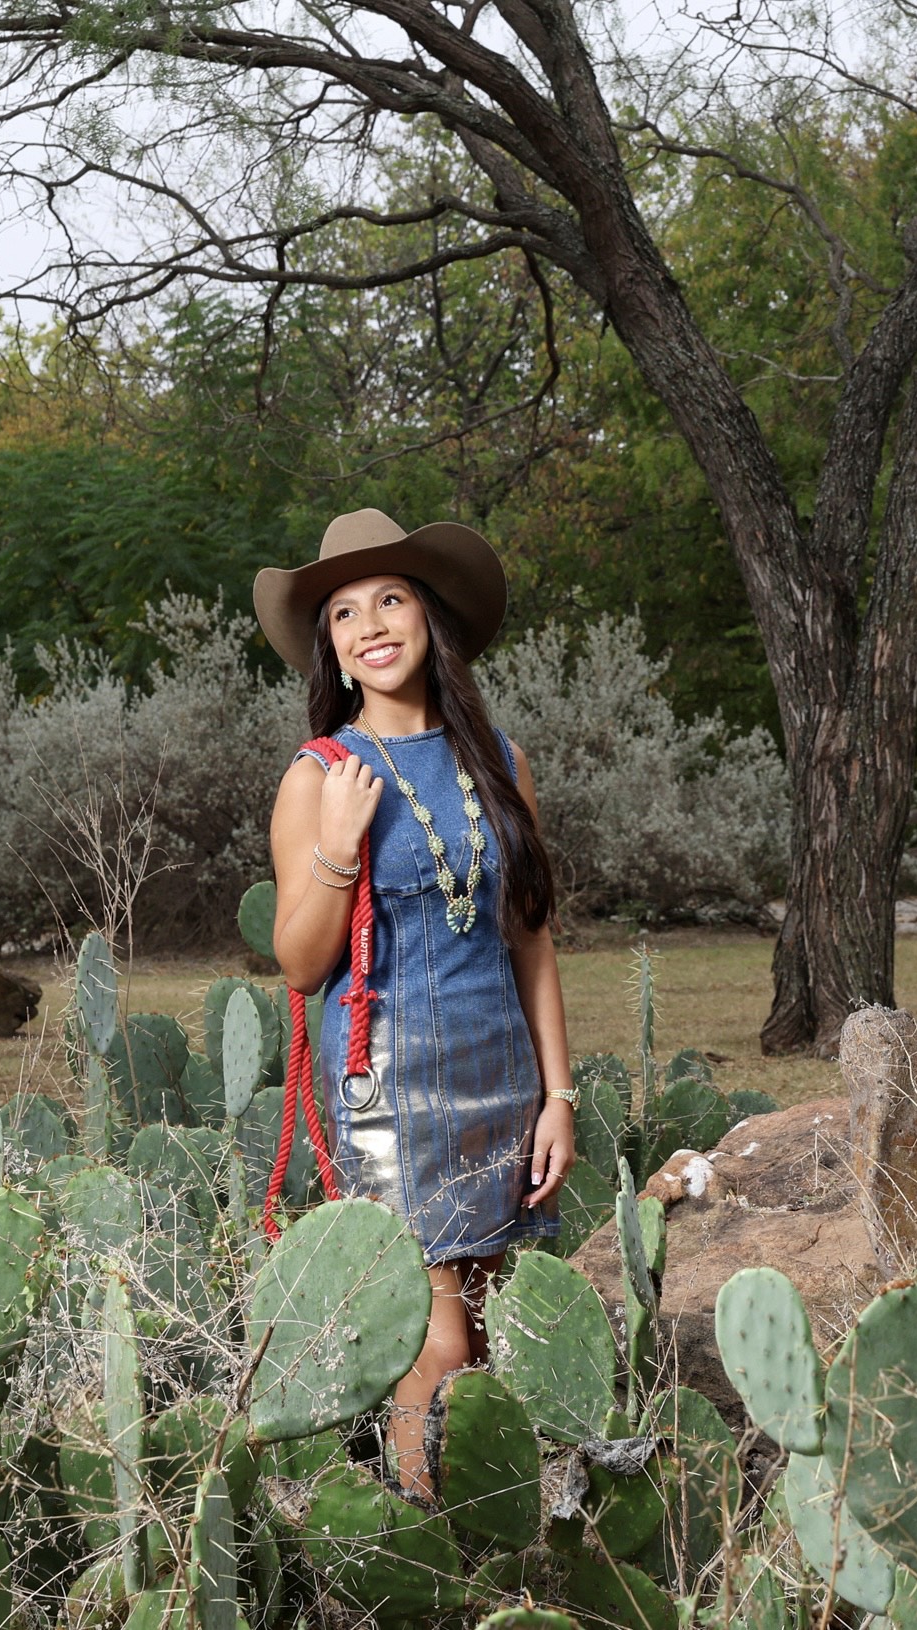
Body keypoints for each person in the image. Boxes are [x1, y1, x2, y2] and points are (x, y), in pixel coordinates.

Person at [255, 508, 578, 1499]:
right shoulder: (320, 776)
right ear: (334, 650)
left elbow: (530, 937)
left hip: (500, 1084)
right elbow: (299, 964)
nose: (371, 623)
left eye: (389, 597)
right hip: (391, 1094)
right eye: (345, 612)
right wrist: (337, 849)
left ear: (428, 616)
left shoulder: (497, 760)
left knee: (489, 1328)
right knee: (431, 1338)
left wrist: (559, 1095)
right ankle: (427, 1549)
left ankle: (491, 1532)